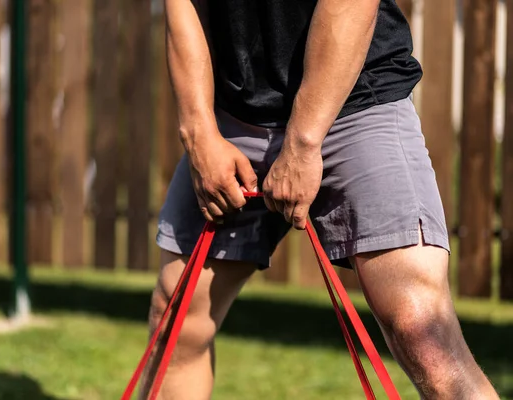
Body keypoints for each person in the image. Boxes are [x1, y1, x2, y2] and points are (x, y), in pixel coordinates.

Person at [142, 0, 500, 398]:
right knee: (175, 321)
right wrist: (199, 133)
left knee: (421, 328)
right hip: (235, 115)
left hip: (355, 99)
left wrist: (302, 142)